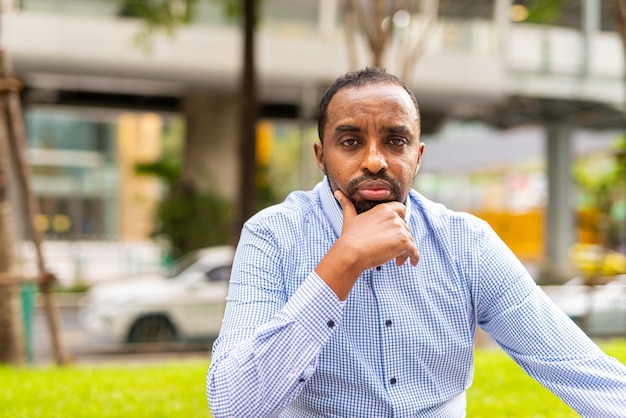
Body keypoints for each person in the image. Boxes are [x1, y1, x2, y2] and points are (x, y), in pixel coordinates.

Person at [206, 67, 626, 417]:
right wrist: (343, 261)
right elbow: (232, 405)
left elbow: (577, 367)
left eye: (395, 141)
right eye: (351, 141)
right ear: (321, 156)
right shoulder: (272, 237)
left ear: (418, 156)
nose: (374, 160)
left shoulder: (467, 244)